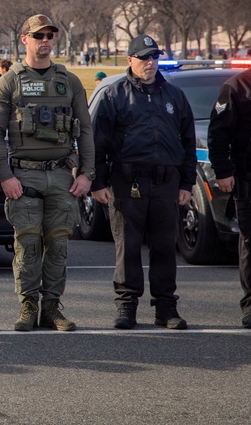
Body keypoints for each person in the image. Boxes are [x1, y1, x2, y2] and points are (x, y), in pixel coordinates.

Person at [0, 14, 94, 332]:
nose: (45, 40)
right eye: (38, 35)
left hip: (62, 175)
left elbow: (85, 129)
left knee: (59, 244)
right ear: (25, 40)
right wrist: (5, 176)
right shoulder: (9, 81)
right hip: (24, 176)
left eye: (49, 35)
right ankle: (28, 305)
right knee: (28, 244)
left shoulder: (69, 81)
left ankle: (51, 307)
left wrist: (87, 173)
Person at [91, 35, 195, 330]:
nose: (150, 63)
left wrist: (187, 183)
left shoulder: (174, 95)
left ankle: (166, 308)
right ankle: (126, 306)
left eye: (154, 57)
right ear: (130, 60)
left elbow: (187, 142)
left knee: (164, 247)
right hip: (127, 181)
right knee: (129, 247)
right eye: (144, 58)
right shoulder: (114, 95)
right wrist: (97, 182)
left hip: (166, 182)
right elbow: (98, 143)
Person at [208, 63, 251, 328]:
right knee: (250, 242)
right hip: (248, 178)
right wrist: (223, 171)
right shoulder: (237, 87)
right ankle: (250, 306)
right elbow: (218, 134)